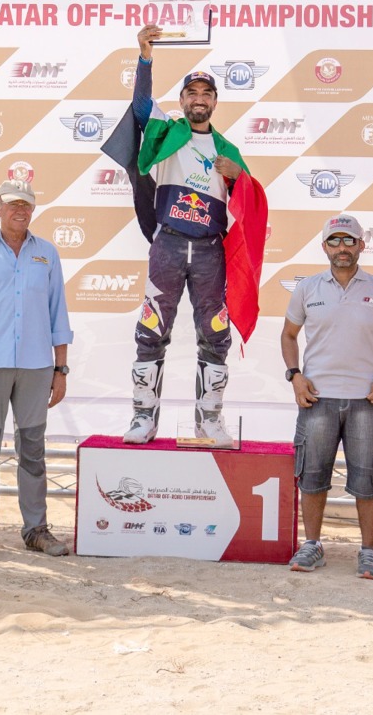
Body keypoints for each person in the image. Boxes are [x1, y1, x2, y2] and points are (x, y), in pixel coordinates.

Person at [108, 23, 265, 447]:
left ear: (215, 102)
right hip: (169, 244)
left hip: (210, 250)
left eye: (206, 93)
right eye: (191, 93)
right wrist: (145, 58)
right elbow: (141, 106)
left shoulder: (228, 151)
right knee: (151, 329)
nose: (199, 99)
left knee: (215, 334)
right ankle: (143, 418)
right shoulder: (169, 131)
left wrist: (239, 178)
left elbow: (250, 209)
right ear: (182, 101)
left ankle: (208, 421)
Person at [280, 215, 373, 579]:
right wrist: (295, 376)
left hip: (366, 402)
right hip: (317, 400)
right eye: (334, 241)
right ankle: (312, 545)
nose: (342, 248)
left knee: (367, 481)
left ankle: (369, 551)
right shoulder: (307, 288)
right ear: (324, 247)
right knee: (312, 477)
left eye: (349, 241)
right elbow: (288, 335)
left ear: (361, 245)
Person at [0, 179, 74, 560]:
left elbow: (58, 314)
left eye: (26, 204)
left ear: (33, 210)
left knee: (33, 450)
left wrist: (61, 369)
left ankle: (36, 530)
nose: (20, 210)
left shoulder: (48, 254)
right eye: (13, 204)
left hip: (37, 368)